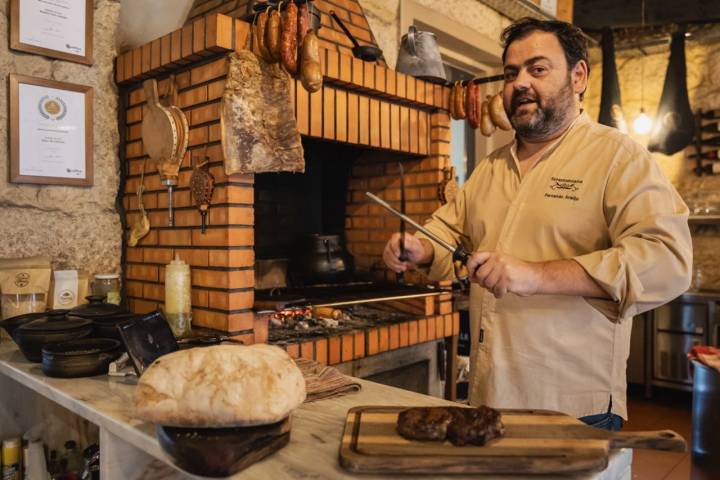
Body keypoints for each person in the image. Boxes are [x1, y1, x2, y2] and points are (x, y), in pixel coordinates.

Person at [382, 17, 692, 431]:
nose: (520, 83)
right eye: (511, 73)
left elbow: (667, 259)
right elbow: (446, 232)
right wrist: (420, 247)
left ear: (578, 76)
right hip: (489, 395)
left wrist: (535, 275)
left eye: (538, 69)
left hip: (572, 405)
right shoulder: (491, 168)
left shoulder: (618, 157)